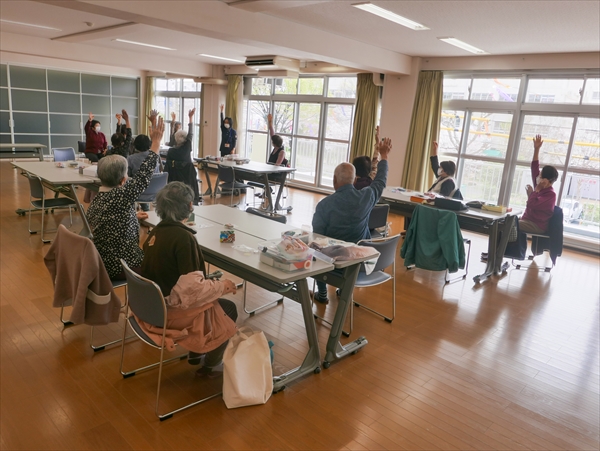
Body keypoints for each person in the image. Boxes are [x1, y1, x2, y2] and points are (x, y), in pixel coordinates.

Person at [141, 181, 239, 377]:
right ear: (188, 207)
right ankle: (210, 365)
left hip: (151, 306)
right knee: (229, 309)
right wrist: (223, 286)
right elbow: (193, 291)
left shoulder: (156, 231)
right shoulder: (183, 238)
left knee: (213, 294)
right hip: (172, 310)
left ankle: (196, 354)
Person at [312, 136, 392, 303]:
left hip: (333, 265)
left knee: (315, 249)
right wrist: (384, 157)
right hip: (360, 262)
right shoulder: (367, 197)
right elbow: (380, 181)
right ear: (355, 180)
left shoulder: (324, 205)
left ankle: (322, 293)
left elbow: (317, 240)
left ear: (334, 180)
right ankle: (344, 289)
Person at [87, 116, 164, 280]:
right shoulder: (122, 195)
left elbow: (107, 223)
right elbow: (144, 175)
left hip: (101, 263)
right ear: (123, 180)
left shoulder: (97, 201)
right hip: (123, 265)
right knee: (164, 261)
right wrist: (155, 143)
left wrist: (130, 215)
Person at [519, 134, 558, 234]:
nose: (538, 176)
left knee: (510, 224)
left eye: (541, 175)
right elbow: (534, 167)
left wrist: (535, 191)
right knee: (506, 221)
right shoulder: (540, 185)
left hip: (536, 225)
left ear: (546, 180)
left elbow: (531, 204)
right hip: (526, 220)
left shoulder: (550, 195)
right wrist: (536, 149)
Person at [166, 108, 200, 204]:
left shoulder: (171, 151)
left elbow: (167, 167)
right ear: (186, 141)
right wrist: (190, 118)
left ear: (176, 139)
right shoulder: (187, 148)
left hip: (175, 180)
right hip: (188, 178)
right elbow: (191, 134)